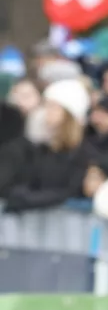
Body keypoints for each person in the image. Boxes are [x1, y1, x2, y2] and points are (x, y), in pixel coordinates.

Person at [4, 79, 93, 212]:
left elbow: (69, 191)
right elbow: (29, 181)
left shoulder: (83, 152)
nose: (47, 111)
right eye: (46, 106)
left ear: (69, 113)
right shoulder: (43, 147)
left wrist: (27, 199)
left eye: (53, 106)